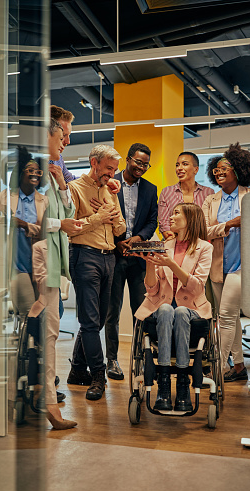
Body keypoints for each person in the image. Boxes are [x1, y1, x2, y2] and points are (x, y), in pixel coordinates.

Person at [135, 203, 213, 412]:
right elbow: (152, 291)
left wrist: (171, 265)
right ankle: (163, 383)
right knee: (167, 309)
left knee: (178, 310)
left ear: (191, 219)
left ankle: (182, 384)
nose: (171, 216)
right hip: (162, 309)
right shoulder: (164, 245)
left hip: (193, 311)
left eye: (177, 213)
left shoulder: (205, 248)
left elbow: (197, 288)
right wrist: (150, 264)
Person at [67, 145, 126, 400]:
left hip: (109, 258)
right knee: (90, 322)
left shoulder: (110, 190)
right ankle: (97, 377)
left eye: (114, 170)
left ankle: (77, 369)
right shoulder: (74, 189)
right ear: (94, 162)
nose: (112, 174)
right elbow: (69, 229)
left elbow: (121, 229)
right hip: (85, 256)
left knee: (99, 320)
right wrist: (97, 217)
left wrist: (112, 219)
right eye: (108, 169)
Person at [35, 118, 82, 429]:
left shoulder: (51, 175)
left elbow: (68, 215)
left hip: (53, 262)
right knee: (48, 335)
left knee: (45, 335)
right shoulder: (33, 173)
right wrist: (58, 225)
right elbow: (26, 218)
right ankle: (49, 404)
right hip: (40, 266)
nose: (65, 143)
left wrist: (64, 185)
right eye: (61, 137)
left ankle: (42, 396)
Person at [202, 142, 250, 382]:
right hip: (217, 268)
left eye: (224, 167)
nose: (218, 171)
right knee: (229, 317)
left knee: (225, 316)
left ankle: (216, 368)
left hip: (242, 267)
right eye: (215, 169)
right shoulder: (210, 201)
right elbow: (203, 231)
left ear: (238, 169)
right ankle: (238, 366)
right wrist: (228, 225)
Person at [101, 143, 158, 380]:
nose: (141, 167)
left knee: (140, 311)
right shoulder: (109, 184)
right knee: (112, 312)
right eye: (138, 162)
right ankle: (112, 360)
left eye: (145, 164)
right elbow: (104, 216)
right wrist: (119, 240)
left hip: (138, 258)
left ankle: (141, 357)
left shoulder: (150, 189)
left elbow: (152, 220)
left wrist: (138, 238)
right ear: (128, 159)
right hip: (113, 256)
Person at [0, 146, 47, 321]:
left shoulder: (43, 201)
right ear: (19, 173)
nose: (35, 174)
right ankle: (28, 348)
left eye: (38, 171)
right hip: (17, 265)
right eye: (30, 170)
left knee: (42, 313)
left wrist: (25, 225)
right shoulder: (6, 196)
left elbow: (48, 231)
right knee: (28, 312)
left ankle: (34, 346)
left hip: (40, 264)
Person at [50, 105, 121, 194]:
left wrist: (100, 180)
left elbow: (71, 180)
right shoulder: (33, 164)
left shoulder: (59, 159)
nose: (68, 141)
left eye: (69, 135)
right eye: (63, 135)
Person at [158, 151, 214, 240]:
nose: (179, 168)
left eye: (185, 164)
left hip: (200, 244)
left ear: (196, 169)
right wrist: (176, 244)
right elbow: (164, 223)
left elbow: (210, 222)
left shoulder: (208, 193)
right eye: (177, 165)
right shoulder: (166, 192)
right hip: (173, 244)